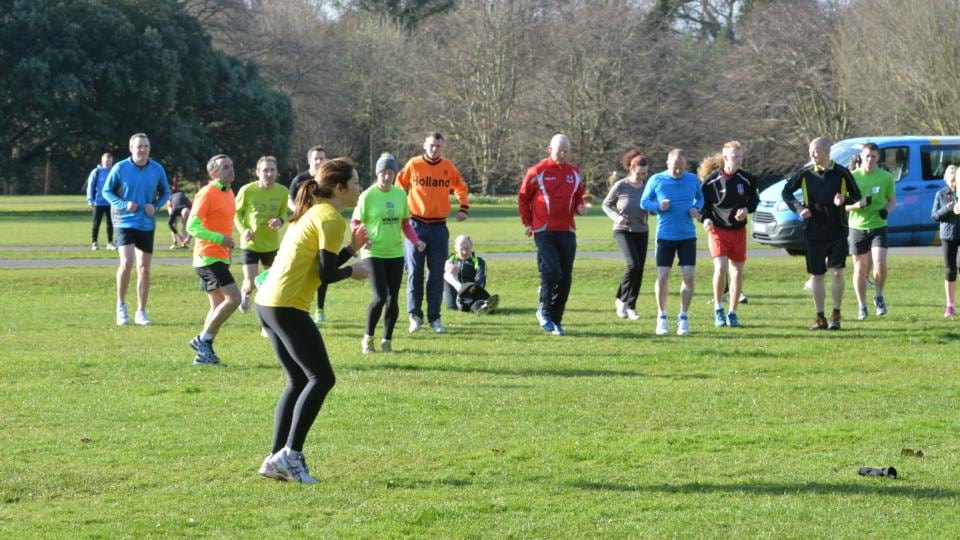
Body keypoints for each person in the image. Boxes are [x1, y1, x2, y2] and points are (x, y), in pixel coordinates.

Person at [255, 158, 368, 484]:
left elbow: (317, 264)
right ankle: (290, 456)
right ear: (339, 187)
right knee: (322, 378)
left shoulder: (315, 212)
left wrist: (350, 249)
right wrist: (354, 270)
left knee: (298, 380)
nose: (359, 188)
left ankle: (275, 458)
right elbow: (326, 273)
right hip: (286, 306)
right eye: (356, 182)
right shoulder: (330, 218)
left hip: (269, 303)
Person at [782, 136, 862, 330]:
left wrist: (844, 199)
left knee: (837, 272)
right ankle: (820, 317)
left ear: (827, 152)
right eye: (810, 151)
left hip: (837, 231)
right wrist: (799, 208)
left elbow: (857, 196)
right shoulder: (805, 172)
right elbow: (787, 192)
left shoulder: (842, 173)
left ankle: (836, 314)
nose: (811, 155)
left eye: (815, 152)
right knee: (817, 275)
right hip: (813, 231)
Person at [397, 132, 470, 334]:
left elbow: (461, 187)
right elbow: (398, 185)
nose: (434, 149)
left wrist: (463, 208)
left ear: (442, 147)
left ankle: (435, 317)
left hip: (439, 228)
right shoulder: (413, 164)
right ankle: (415, 316)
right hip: (415, 226)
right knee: (414, 273)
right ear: (424, 145)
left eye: (438, 146)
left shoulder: (447, 167)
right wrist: (397, 209)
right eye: (431, 145)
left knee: (436, 274)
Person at [352, 153, 425, 354]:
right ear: (378, 173)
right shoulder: (367, 196)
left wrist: (416, 241)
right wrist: (363, 239)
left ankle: (387, 340)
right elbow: (356, 222)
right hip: (373, 252)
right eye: (383, 172)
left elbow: (404, 223)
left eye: (390, 173)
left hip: (394, 252)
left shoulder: (400, 195)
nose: (386, 177)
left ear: (394, 174)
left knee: (393, 297)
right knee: (380, 296)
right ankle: (368, 339)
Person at [518, 133, 585, 336]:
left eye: (566, 151)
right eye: (559, 151)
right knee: (552, 271)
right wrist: (528, 223)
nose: (562, 155)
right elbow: (523, 198)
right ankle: (544, 310)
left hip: (567, 230)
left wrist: (580, 206)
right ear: (549, 150)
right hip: (544, 229)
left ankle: (557, 320)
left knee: (565, 278)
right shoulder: (537, 171)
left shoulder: (575, 173)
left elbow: (579, 196)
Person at [102, 133, 170, 326]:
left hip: (147, 223)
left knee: (144, 268)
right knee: (127, 262)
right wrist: (123, 204)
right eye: (139, 146)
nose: (143, 149)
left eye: (146, 146)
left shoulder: (157, 169)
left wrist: (155, 206)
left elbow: (165, 192)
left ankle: (141, 311)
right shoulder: (120, 168)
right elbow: (107, 191)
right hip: (125, 222)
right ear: (131, 149)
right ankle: (121, 306)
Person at [640, 149, 704, 336]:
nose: (678, 172)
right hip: (665, 235)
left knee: (689, 275)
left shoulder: (692, 179)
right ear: (668, 163)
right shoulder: (656, 180)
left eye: (681, 168)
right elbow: (644, 202)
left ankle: (683, 317)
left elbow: (701, 198)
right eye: (675, 168)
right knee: (663, 275)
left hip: (687, 234)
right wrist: (658, 206)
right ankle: (662, 315)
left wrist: (696, 208)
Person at [187, 155, 241, 365]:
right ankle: (203, 340)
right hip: (207, 257)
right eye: (225, 167)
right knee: (234, 299)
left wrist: (227, 245)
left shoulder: (229, 192)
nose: (231, 170)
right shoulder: (206, 193)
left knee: (217, 305)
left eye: (231, 166)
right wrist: (220, 239)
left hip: (220, 256)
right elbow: (193, 226)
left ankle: (203, 355)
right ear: (214, 173)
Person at [700, 141, 759, 328]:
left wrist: (745, 209)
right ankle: (718, 308)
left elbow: (754, 202)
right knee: (721, 268)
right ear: (725, 158)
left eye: (741, 156)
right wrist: (705, 219)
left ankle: (733, 312)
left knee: (737, 272)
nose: (739, 160)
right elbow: (703, 206)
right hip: (718, 230)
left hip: (738, 231)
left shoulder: (747, 179)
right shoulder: (711, 181)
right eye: (735, 157)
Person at [845, 143, 895, 320]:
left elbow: (891, 201)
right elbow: (843, 205)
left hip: (878, 226)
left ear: (878, 157)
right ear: (861, 156)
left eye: (873, 156)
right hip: (857, 227)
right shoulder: (852, 177)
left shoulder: (886, 177)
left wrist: (886, 211)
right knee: (860, 268)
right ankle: (862, 306)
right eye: (867, 156)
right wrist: (857, 205)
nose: (870, 159)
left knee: (880, 263)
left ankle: (879, 296)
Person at [235, 156, 289, 314]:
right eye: (265, 170)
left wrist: (280, 220)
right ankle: (245, 293)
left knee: (272, 282)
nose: (269, 173)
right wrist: (243, 230)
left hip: (271, 244)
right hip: (250, 244)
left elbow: (284, 213)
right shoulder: (247, 190)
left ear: (277, 172)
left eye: (272, 170)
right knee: (251, 283)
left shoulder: (282, 191)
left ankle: (267, 312)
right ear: (258, 172)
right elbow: (236, 213)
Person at [602, 148, 650, 321]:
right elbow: (606, 205)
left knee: (639, 269)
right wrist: (617, 217)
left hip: (642, 231)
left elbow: (651, 206)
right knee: (632, 265)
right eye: (639, 173)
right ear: (631, 168)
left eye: (645, 173)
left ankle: (631, 306)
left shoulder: (647, 186)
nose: (642, 176)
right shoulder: (621, 185)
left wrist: (656, 208)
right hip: (623, 231)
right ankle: (621, 300)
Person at [288, 146, 330, 323]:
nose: (319, 161)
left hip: (321, 229)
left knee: (323, 267)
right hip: (303, 228)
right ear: (309, 161)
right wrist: (299, 212)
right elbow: (289, 199)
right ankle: (294, 304)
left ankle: (320, 308)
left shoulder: (328, 179)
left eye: (322, 158)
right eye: (316, 159)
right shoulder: (300, 179)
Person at [443, 234, 499, 314]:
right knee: (445, 272)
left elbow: (480, 282)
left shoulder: (479, 262)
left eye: (467, 248)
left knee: (475, 291)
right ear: (455, 248)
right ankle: (481, 306)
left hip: (471, 292)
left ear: (471, 246)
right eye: (461, 249)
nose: (464, 252)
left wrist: (468, 292)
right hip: (453, 294)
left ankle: (480, 306)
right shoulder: (449, 259)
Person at [932, 164, 960, 318]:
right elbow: (934, 215)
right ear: (945, 180)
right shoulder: (941, 194)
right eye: (950, 180)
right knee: (950, 270)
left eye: (955, 180)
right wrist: (948, 208)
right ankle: (950, 305)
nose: (953, 184)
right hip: (948, 236)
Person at [86, 152, 116, 250]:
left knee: (110, 223)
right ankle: (94, 243)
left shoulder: (114, 172)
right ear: (102, 161)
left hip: (110, 202)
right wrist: (90, 199)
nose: (108, 163)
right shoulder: (96, 172)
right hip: (98, 202)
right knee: (96, 223)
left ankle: (110, 243)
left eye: (110, 161)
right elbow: (90, 186)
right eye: (106, 161)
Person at [166, 180, 192, 249]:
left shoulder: (190, 206)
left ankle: (184, 243)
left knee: (185, 225)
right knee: (174, 223)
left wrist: (188, 238)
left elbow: (194, 225)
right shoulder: (175, 210)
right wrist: (179, 235)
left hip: (182, 201)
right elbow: (169, 224)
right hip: (171, 203)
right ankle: (175, 242)